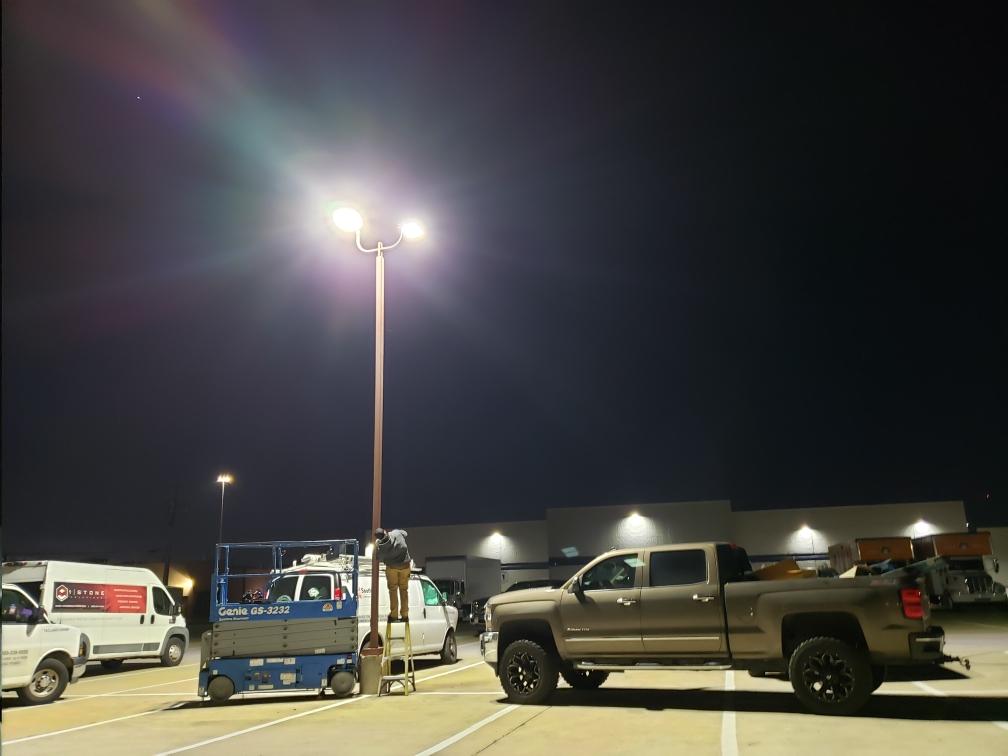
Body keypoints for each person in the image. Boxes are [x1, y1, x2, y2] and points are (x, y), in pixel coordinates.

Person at [374, 527, 411, 622]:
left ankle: (394, 615)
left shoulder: (381, 547)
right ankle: (405, 614)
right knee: (404, 590)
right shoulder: (396, 533)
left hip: (392, 568)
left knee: (393, 590)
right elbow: (405, 533)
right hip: (405, 566)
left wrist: (376, 546)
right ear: (385, 531)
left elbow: (377, 558)